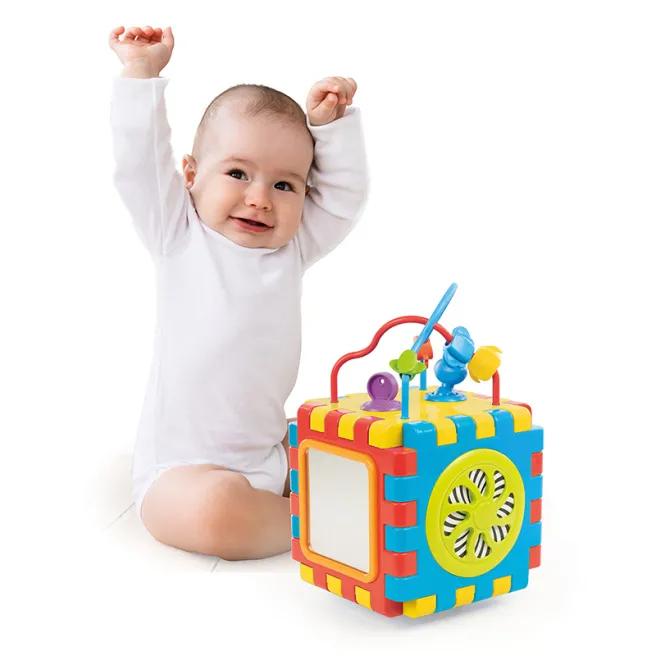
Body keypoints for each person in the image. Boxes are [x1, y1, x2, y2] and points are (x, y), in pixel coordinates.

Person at [108, 25, 369, 560]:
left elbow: (345, 198)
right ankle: (319, 523)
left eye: (284, 184)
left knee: (341, 440)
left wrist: (330, 130)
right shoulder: (178, 234)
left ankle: (301, 498)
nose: (260, 199)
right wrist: (141, 74)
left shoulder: (292, 247)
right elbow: (138, 166)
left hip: (270, 457)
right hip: (180, 477)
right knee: (217, 512)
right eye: (237, 173)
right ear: (190, 175)